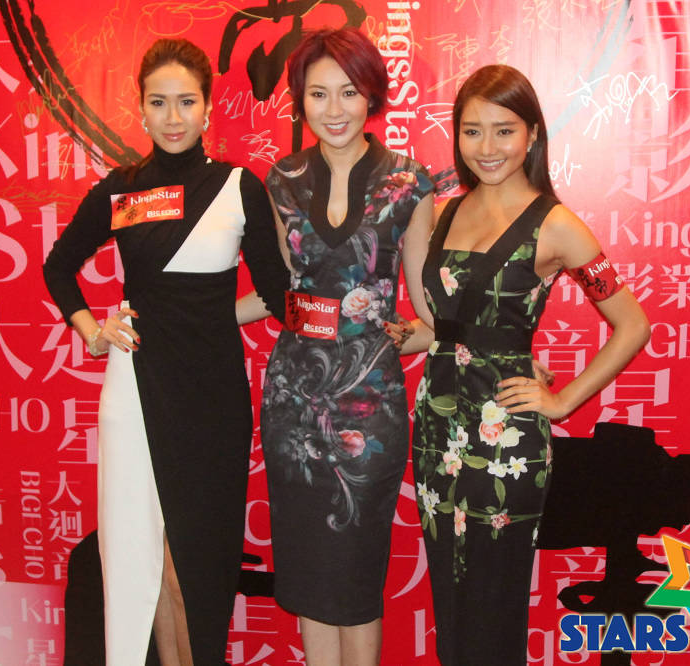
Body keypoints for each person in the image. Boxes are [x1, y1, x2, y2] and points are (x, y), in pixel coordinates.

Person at [43, 38, 289, 666]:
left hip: (212, 397)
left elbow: (278, 296)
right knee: (143, 558)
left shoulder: (239, 186)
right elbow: (58, 267)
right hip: (136, 389)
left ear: (207, 107)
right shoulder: (121, 191)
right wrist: (92, 330)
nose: (173, 117)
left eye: (186, 101)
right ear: (141, 110)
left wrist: (206, 316)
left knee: (194, 565)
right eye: (159, 103)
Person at [395, 64, 651, 665]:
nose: (487, 147)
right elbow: (445, 327)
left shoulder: (557, 225)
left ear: (533, 133)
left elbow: (633, 324)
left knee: (494, 600)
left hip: (505, 439)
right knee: (451, 598)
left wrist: (562, 401)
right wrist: (370, 335)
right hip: (436, 431)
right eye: (472, 131)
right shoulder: (444, 213)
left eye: (504, 130)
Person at [237, 27, 435, 666]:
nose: (334, 108)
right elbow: (279, 292)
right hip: (294, 400)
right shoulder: (282, 179)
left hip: (370, 405)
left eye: (348, 92)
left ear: (371, 95)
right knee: (307, 569)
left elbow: (424, 301)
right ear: (300, 101)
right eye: (318, 93)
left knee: (355, 569)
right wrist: (186, 319)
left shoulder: (409, 182)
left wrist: (480, 343)